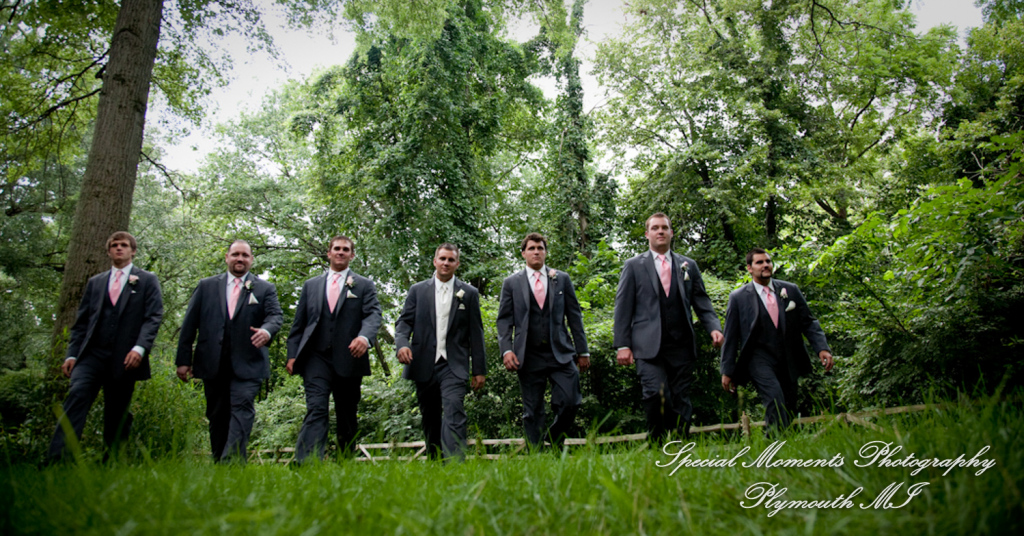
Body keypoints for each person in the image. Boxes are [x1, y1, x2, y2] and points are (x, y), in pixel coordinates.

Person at [48, 231, 164, 461]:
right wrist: (72, 355)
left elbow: (153, 317)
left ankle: (112, 461)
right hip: (91, 355)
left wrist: (139, 348)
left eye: (124, 245)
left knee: (117, 410)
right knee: (77, 395)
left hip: (126, 357)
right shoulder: (96, 282)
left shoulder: (147, 280)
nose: (119, 248)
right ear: (109, 251)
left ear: (133, 251)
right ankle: (58, 459)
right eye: (114, 245)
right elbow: (82, 323)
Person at [613, 213, 723, 441]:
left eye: (664, 227)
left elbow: (701, 301)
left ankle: (681, 445)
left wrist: (714, 327)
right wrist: (623, 344)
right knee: (656, 394)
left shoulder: (688, 265)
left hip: (681, 343)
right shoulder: (633, 266)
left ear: (671, 233)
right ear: (647, 234)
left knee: (681, 397)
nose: (660, 231)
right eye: (655, 228)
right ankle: (657, 441)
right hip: (647, 346)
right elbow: (623, 307)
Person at [176, 240, 283, 463]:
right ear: (227, 257)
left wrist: (266, 331)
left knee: (242, 407)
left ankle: (231, 462)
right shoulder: (206, 286)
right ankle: (220, 464)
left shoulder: (265, 288)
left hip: (249, 362)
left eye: (245, 255)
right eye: (235, 254)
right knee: (217, 415)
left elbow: (275, 316)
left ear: (251, 259)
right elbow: (189, 324)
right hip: (212, 363)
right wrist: (183, 360)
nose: (240, 259)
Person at [286, 235, 382, 462]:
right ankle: (307, 463)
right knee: (316, 408)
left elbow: (373, 315)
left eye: (345, 249)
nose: (340, 252)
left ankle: (345, 463)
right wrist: (292, 354)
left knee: (347, 414)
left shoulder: (364, 285)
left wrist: (364, 337)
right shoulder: (311, 286)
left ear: (352, 255)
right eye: (336, 248)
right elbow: (299, 323)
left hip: (349, 357)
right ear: (329, 253)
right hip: (315, 357)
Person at [720, 248, 833, 432]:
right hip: (758, 359)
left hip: (788, 357)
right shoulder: (738, 298)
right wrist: (727, 370)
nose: (765, 265)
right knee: (774, 398)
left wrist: (822, 348)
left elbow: (808, 322)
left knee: (788, 406)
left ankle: (782, 443)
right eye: (759, 262)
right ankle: (773, 443)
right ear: (749, 268)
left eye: (768, 261)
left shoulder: (790, 290)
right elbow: (731, 335)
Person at [497, 233, 589, 449]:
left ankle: (555, 437)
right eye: (531, 248)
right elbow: (504, 320)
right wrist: (506, 350)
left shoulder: (562, 279)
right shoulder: (511, 283)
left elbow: (574, 316)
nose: (536, 252)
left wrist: (583, 351)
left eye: (540, 248)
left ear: (546, 252)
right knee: (532, 411)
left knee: (571, 400)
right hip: (528, 355)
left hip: (561, 352)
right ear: (523, 253)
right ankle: (536, 456)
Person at [395, 243, 487, 460]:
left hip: (454, 364)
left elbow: (476, 333)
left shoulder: (469, 293)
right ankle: (435, 462)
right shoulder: (417, 290)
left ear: (457, 263)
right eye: (442, 259)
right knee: (430, 416)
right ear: (435, 261)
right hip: (423, 362)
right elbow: (404, 322)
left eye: (451, 260)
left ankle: (455, 464)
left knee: (454, 408)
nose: (446, 263)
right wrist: (402, 344)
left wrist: (479, 370)